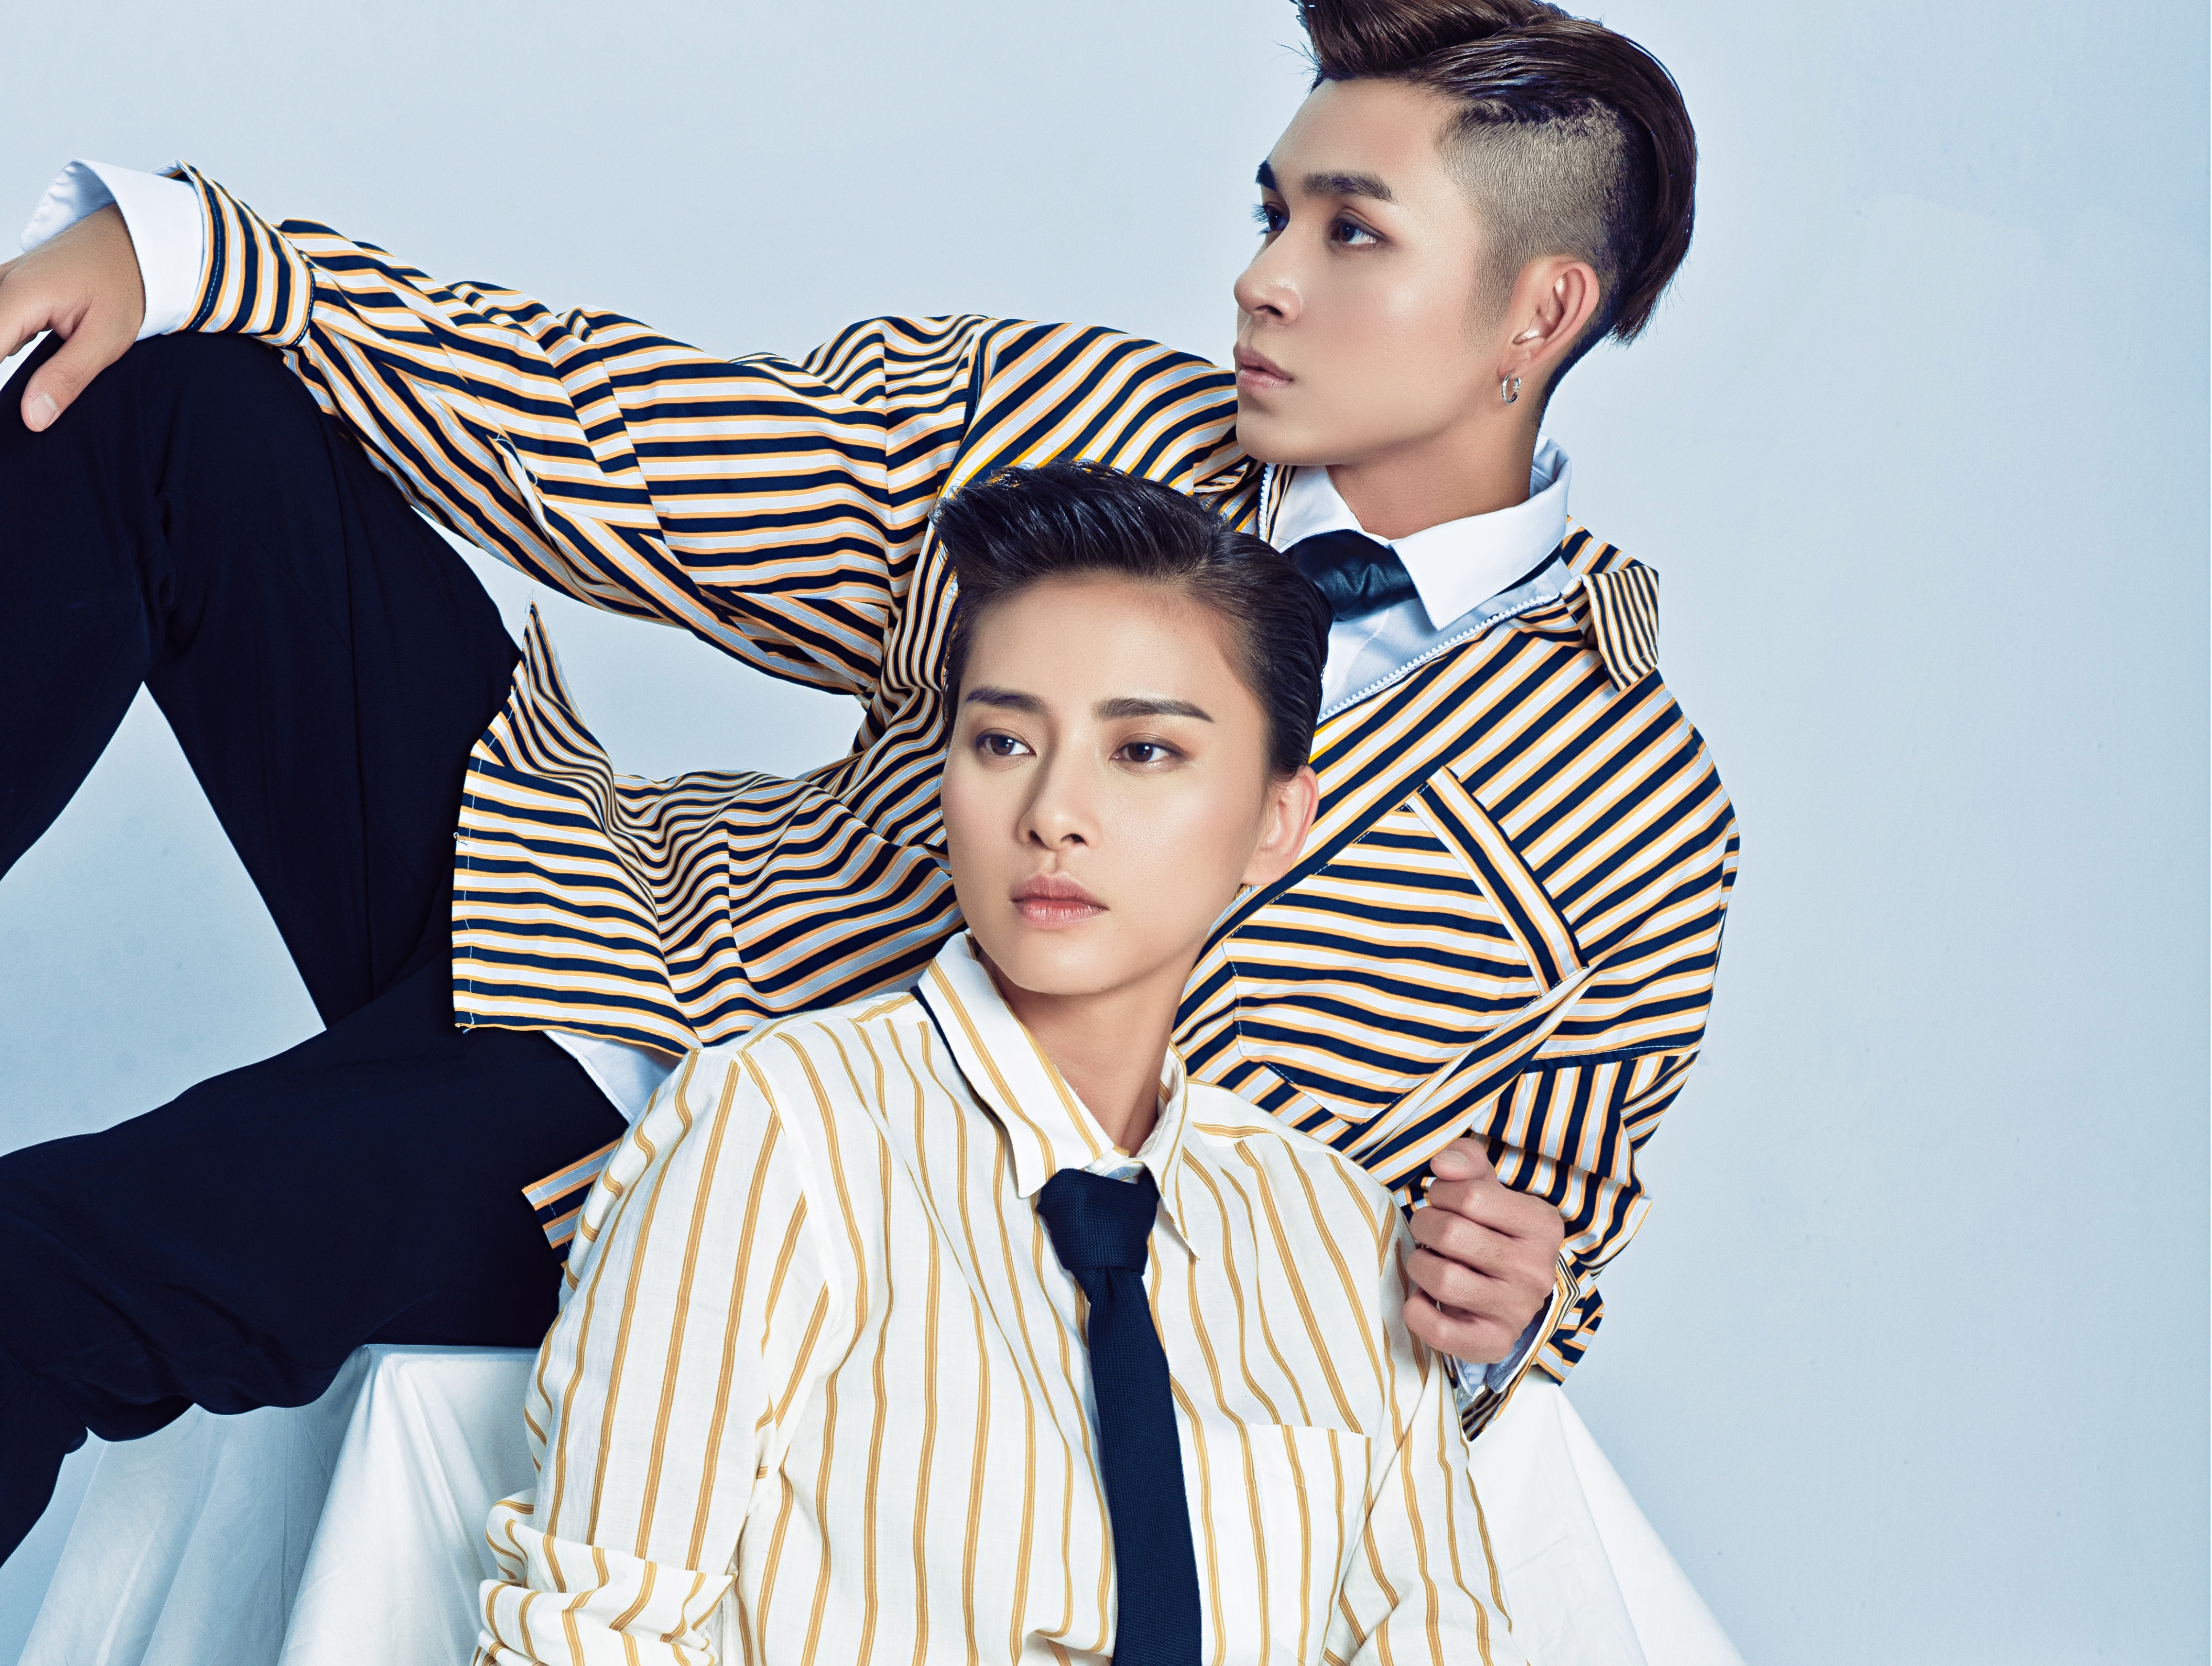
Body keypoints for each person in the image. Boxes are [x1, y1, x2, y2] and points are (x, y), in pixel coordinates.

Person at [0, 0, 1735, 1571]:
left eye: (1350, 231)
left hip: (725, 1180)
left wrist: (1516, 1305)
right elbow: (651, 448)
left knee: (32, 1278)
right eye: (1272, 213)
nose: (1263, 280)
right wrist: (211, 256)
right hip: (614, 901)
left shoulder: (1632, 806)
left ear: (1538, 311)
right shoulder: (1099, 426)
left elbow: (1544, 1226)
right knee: (170, 389)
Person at [474, 459, 1521, 1666]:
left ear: (1275, 823)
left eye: (1142, 750)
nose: (1051, 811)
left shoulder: (1336, 1233)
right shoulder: (781, 1131)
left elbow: (1434, 1637)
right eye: (1003, 739)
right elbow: (591, 1630)